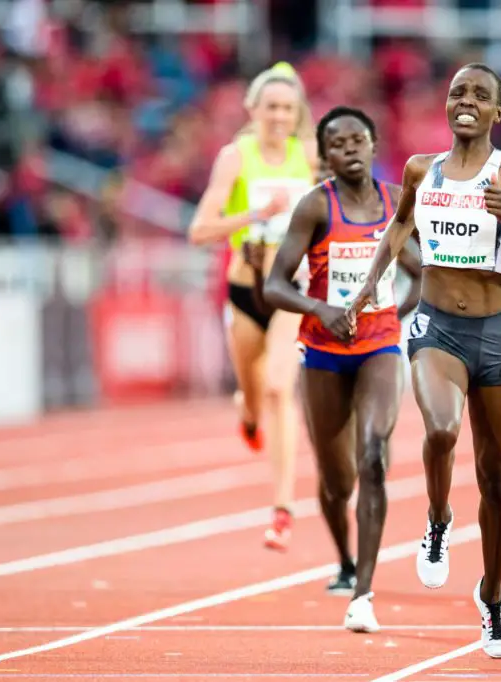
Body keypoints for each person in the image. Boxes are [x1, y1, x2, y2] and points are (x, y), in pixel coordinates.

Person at [347, 63, 501, 658]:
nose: (466, 101)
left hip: (495, 335)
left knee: (497, 479)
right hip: (436, 328)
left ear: (498, 112)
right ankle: (439, 519)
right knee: (441, 429)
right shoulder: (423, 169)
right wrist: (369, 286)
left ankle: (491, 596)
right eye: (457, 92)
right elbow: (398, 227)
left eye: (480, 95)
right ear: (446, 105)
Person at [263, 106, 422, 632]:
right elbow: (275, 284)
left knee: (373, 455)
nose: (349, 149)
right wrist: (320, 309)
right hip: (324, 353)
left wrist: (396, 314)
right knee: (337, 480)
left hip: (380, 348)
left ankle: (363, 592)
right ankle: (345, 560)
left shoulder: (397, 201)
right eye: (337, 143)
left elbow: (421, 269)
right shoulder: (316, 206)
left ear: (374, 145)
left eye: (358, 139)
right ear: (325, 155)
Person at [188, 62, 319, 552]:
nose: (280, 116)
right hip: (244, 292)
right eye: (272, 107)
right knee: (253, 394)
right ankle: (246, 413)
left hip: (290, 289)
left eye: (288, 108)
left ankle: (282, 510)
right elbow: (200, 230)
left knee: (280, 388)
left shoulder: (309, 156)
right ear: (253, 110)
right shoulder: (235, 157)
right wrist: (254, 214)